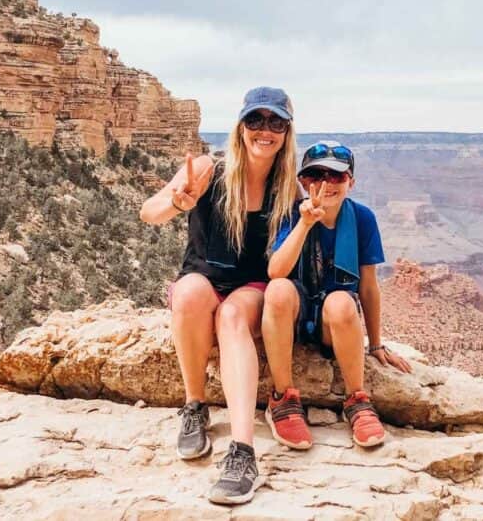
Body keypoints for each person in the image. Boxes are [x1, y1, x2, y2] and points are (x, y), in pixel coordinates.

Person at [139, 86, 298, 505]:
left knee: (230, 317)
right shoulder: (209, 169)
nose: (265, 131)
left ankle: (243, 452)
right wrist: (177, 201)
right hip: (204, 279)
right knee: (189, 294)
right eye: (256, 120)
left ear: (286, 131)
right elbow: (149, 212)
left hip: (252, 288)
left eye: (275, 122)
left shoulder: (288, 189)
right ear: (241, 126)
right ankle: (195, 407)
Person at [261, 141, 412, 451]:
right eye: (315, 175)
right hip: (297, 316)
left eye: (336, 176)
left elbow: (368, 286)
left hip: (334, 323)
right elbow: (277, 271)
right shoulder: (291, 214)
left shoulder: (362, 219)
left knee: (342, 301)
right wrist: (305, 224)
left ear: (350, 182)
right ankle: (283, 398)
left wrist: (377, 343)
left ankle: (356, 398)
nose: (325, 184)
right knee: (277, 291)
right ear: (303, 181)